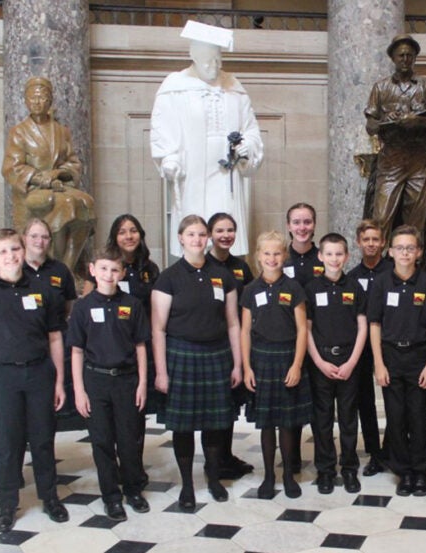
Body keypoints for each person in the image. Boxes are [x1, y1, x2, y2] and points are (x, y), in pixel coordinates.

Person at [0, 229, 69, 533]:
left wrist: (59, 382)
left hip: (39, 374)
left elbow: (54, 338)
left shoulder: (43, 290)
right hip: (1, 376)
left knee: (43, 439)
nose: (10, 256)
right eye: (3, 252)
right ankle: (7, 504)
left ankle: (50, 498)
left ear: (24, 251)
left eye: (15, 249)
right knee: (7, 442)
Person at [151, 215, 242, 512]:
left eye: (202, 234)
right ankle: (187, 486)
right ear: (180, 238)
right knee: (184, 427)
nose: (197, 239)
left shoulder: (223, 274)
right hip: (182, 355)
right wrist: (162, 372)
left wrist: (237, 364)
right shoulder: (168, 277)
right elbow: (158, 329)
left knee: (216, 425)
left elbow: (232, 323)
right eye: (191, 234)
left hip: (217, 355)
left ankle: (214, 479)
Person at [151, 21, 263, 257]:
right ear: (194, 57)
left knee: (226, 223)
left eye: (218, 60)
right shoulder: (174, 87)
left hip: (227, 175)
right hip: (193, 171)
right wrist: (168, 158)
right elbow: (163, 128)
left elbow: (251, 130)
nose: (215, 67)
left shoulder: (234, 87)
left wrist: (247, 148)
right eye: (208, 61)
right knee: (195, 225)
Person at [69, 247, 151, 522]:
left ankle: (133, 490)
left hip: (127, 380)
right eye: (103, 268)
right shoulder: (82, 307)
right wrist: (79, 391)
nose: (109, 274)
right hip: (96, 380)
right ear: (92, 270)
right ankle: (111, 496)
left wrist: (142, 383)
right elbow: (77, 351)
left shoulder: (132, 304)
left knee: (129, 439)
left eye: (115, 269)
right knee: (102, 441)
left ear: (123, 273)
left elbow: (140, 345)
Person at [368, 225, 426, 497]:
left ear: (419, 252)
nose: (405, 252)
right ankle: (404, 471)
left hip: (419, 356)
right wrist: (378, 363)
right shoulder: (382, 283)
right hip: (390, 357)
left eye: (410, 247)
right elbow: (374, 324)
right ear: (391, 251)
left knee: (419, 416)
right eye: (400, 248)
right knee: (396, 418)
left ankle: (421, 470)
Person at [241, 231, 310, 499]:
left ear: (285, 256)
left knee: (287, 422)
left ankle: (288, 475)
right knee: (267, 423)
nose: (272, 258)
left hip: (287, 357)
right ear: (258, 256)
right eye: (267, 253)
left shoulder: (293, 288)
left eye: (277, 253)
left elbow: (302, 330)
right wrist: (247, 367)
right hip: (261, 360)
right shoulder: (250, 290)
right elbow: (245, 331)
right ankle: (268, 475)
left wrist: (296, 365)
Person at [2, 77, 95, 270]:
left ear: (50, 100)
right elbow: (12, 167)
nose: (37, 102)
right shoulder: (19, 132)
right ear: (26, 101)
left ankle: (68, 266)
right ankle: (56, 266)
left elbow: (73, 162)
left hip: (59, 186)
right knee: (67, 205)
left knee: (87, 203)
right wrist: (41, 179)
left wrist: (58, 174)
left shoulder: (61, 131)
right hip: (33, 190)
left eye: (42, 97)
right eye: (32, 98)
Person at [365, 34, 426, 242]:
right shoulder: (381, 87)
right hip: (391, 156)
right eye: (401, 55)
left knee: (415, 219)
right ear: (393, 58)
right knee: (381, 216)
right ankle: (378, 265)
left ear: (415, 58)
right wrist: (384, 120)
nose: (405, 59)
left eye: (410, 55)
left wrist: (417, 121)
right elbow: (370, 125)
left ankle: (412, 266)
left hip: (418, 156)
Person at [305, 233, 368, 494]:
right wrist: (319, 361)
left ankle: (350, 469)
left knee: (348, 418)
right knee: (322, 419)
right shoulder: (311, 288)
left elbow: (362, 327)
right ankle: (325, 470)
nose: (334, 259)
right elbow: (305, 329)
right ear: (320, 256)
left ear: (347, 256)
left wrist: (352, 361)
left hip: (348, 361)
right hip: (321, 362)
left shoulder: (354, 287)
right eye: (329, 254)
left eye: (339, 254)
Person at [206, 212, 256, 480]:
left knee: (229, 404)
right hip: (214, 343)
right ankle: (214, 460)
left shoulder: (241, 267)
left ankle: (225, 455)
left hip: (237, 343)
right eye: (219, 230)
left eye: (230, 230)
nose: (225, 235)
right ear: (210, 234)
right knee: (215, 406)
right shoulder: (205, 266)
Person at [101, 214, 163, 418]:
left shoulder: (150, 268)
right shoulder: (105, 267)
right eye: (122, 232)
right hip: (111, 342)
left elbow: (156, 309)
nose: (129, 236)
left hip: (140, 343)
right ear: (114, 237)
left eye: (133, 231)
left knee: (137, 404)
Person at [346, 219, 393, 476]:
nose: (371, 244)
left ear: (383, 242)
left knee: (394, 401)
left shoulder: (394, 272)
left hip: (392, 345)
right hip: (363, 348)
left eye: (376, 239)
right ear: (359, 243)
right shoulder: (353, 277)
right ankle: (375, 453)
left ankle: (391, 450)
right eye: (367, 239)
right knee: (365, 403)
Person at [281, 202, 323, 473]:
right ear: (288, 226)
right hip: (289, 341)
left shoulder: (324, 257)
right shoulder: (280, 259)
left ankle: (324, 462)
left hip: (320, 340)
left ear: (314, 225)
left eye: (307, 222)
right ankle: (291, 459)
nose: (302, 227)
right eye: (297, 222)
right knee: (291, 401)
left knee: (320, 405)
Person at [22, 218, 78, 417]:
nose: (40, 241)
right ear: (24, 238)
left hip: (56, 337)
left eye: (45, 237)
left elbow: (68, 305)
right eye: (34, 236)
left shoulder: (60, 270)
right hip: (27, 341)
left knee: (55, 391)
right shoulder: (16, 269)